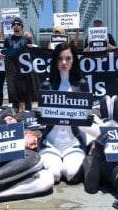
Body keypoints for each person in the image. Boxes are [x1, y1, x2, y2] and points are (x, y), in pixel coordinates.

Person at [37, 42, 91, 183]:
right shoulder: (46, 85)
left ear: (74, 60)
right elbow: (44, 115)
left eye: (68, 58)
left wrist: (88, 119)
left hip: (73, 143)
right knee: (54, 175)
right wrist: (40, 116)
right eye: (60, 58)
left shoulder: (82, 84)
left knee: (71, 174)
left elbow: (85, 115)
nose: (64, 62)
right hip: (50, 143)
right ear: (55, 61)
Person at [3, 17, 36, 111]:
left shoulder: (27, 39)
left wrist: (32, 48)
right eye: (14, 24)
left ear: (22, 26)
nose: (16, 26)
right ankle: (15, 116)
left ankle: (28, 115)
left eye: (18, 24)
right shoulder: (8, 39)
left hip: (25, 71)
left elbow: (31, 55)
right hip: (13, 71)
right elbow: (5, 53)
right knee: (15, 96)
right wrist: (2, 56)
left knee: (27, 96)